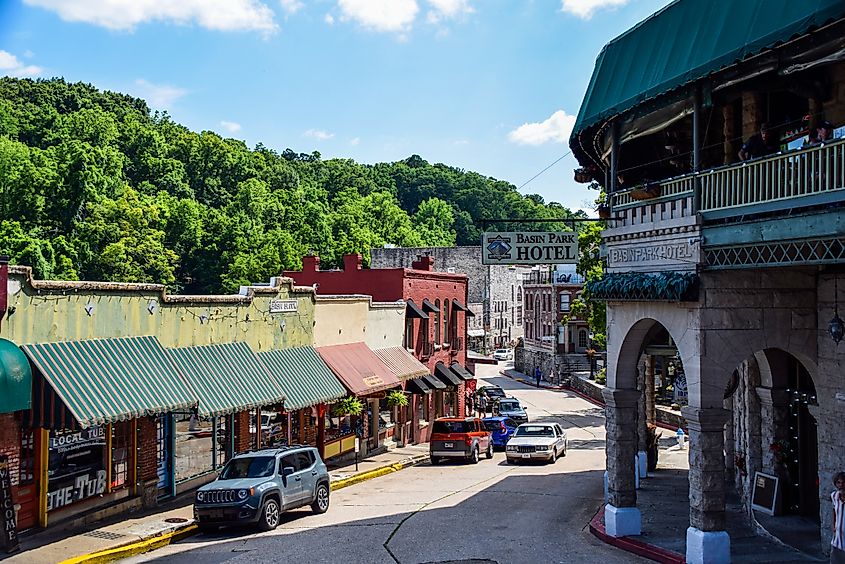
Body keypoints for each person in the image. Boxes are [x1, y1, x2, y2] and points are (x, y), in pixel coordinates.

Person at [831, 471, 845, 563]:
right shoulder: (834, 496)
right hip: (837, 541)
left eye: (844, 482)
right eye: (838, 482)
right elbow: (834, 511)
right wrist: (833, 525)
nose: (841, 485)